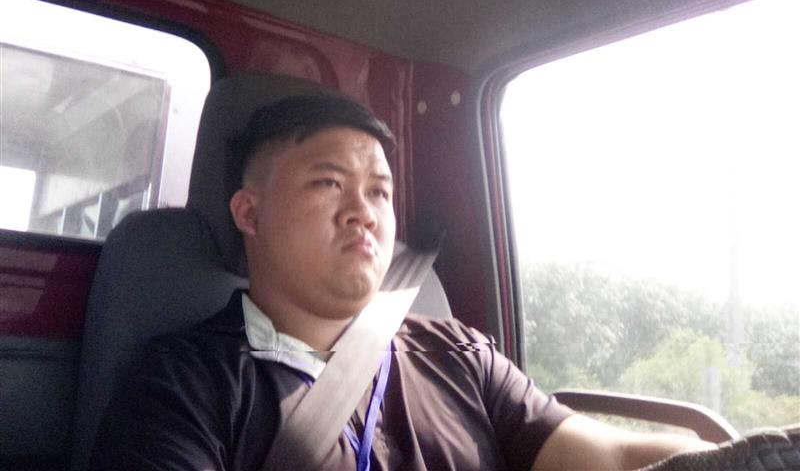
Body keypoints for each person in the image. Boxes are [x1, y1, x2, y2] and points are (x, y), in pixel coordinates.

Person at [91, 94, 715, 470]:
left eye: (380, 192)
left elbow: (609, 457)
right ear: (249, 213)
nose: (364, 211)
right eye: (330, 183)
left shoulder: (462, 356)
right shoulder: (181, 385)